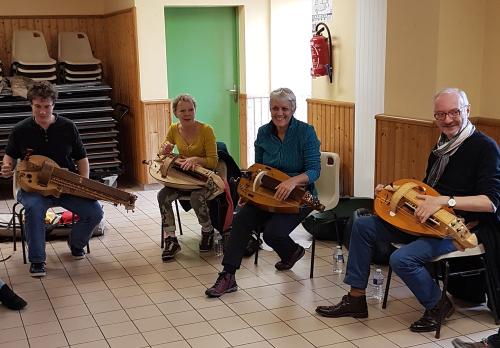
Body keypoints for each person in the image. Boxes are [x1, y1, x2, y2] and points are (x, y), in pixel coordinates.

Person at [315, 88, 500, 333]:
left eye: (454, 112)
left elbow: (490, 202)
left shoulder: (485, 148)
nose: (447, 120)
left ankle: (438, 305)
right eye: (440, 115)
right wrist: (393, 193)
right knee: (362, 225)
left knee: (401, 258)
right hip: (423, 220)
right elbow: (427, 192)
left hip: (459, 228)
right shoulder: (441, 148)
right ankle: (356, 298)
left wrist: (445, 202)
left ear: (467, 111)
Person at [205, 87, 321, 297]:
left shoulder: (306, 132)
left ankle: (292, 252)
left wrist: (292, 182)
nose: (279, 113)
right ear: (270, 109)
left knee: (272, 233)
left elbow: (314, 171)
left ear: (293, 108)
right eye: (275, 108)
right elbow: (258, 167)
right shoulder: (263, 132)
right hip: (266, 194)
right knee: (240, 220)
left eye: (284, 108)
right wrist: (248, 193)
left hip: (299, 195)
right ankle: (228, 275)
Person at [0, 81, 104, 277]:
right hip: (33, 188)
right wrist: (7, 168)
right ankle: (37, 260)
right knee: (34, 209)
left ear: (53, 104)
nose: (42, 112)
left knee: (95, 212)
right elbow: (10, 156)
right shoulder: (21, 129)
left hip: (65, 185)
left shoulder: (67, 127)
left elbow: (82, 158)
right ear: (31, 104)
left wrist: (83, 184)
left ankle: (75, 243)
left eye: (46, 106)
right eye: (37, 106)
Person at [157, 93, 218, 261]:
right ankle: (171, 238)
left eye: (191, 110)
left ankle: (207, 231)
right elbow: (162, 152)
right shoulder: (173, 129)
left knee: (196, 196)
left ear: (195, 110)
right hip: (183, 178)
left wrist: (196, 160)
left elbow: (213, 162)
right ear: (176, 113)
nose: (187, 114)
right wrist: (165, 150)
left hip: (202, 178)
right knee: (162, 195)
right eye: (182, 110)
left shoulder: (206, 130)